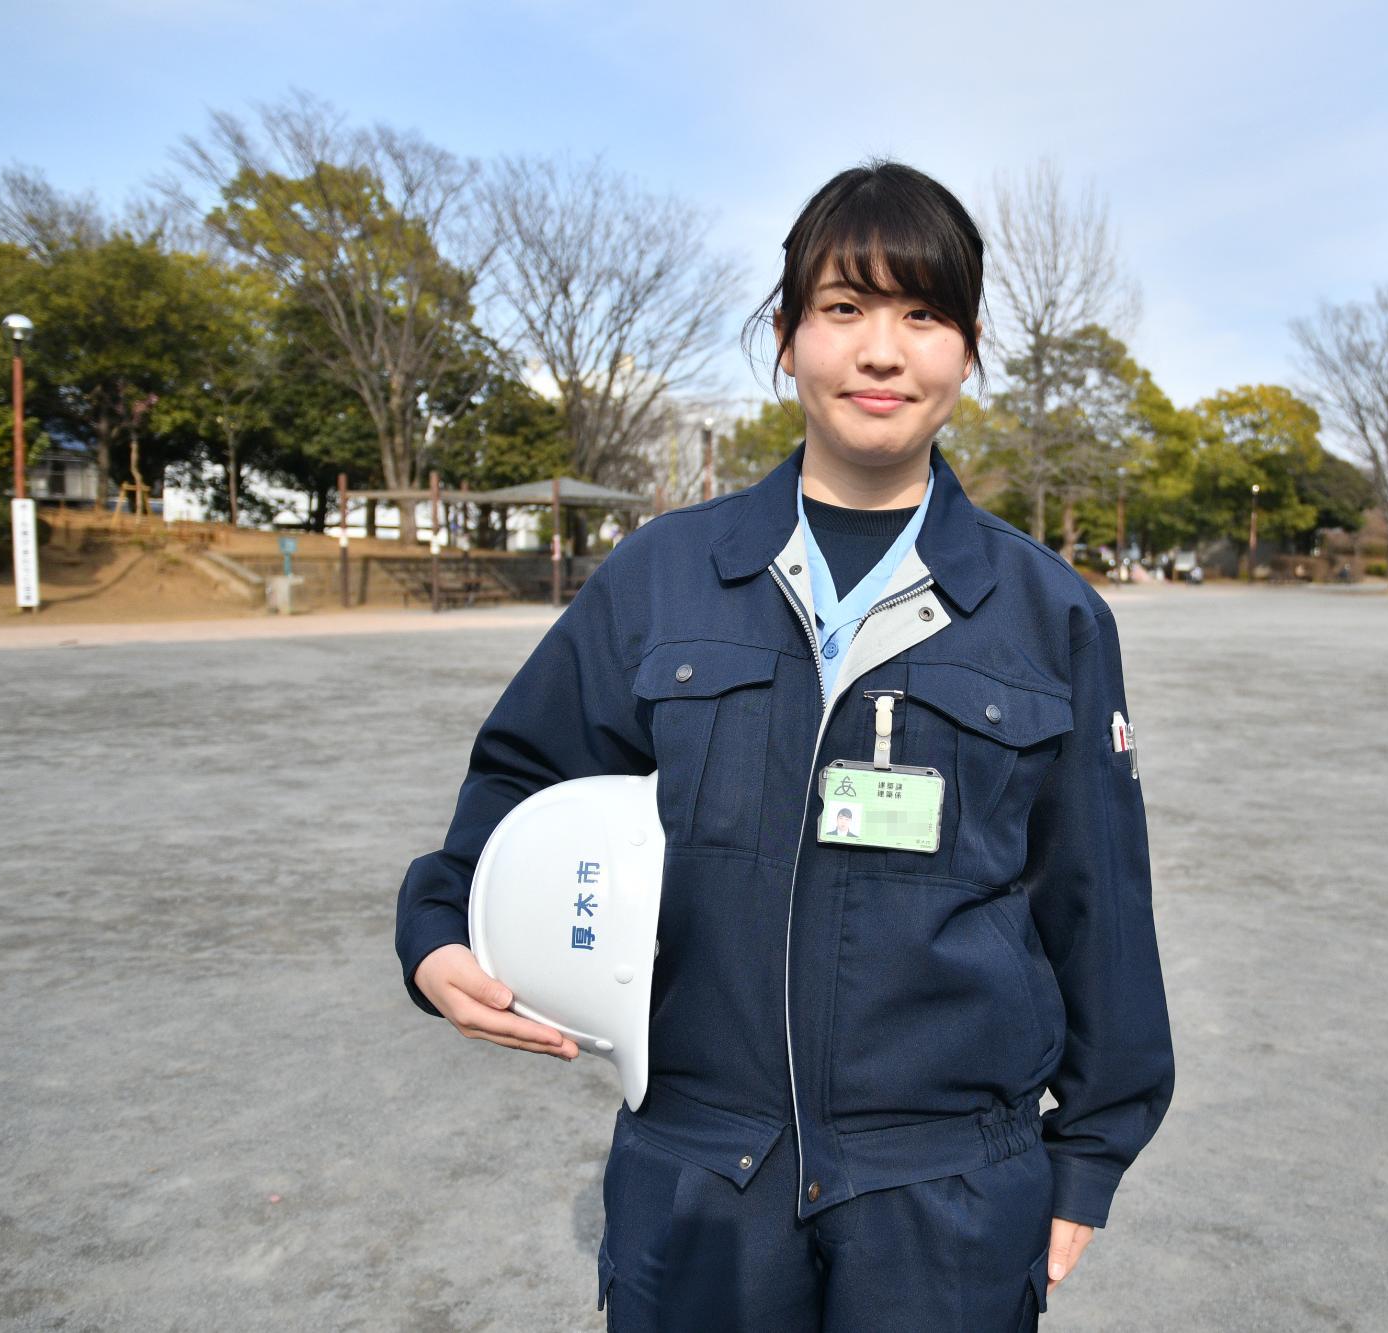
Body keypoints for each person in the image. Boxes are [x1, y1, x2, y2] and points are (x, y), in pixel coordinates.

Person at [395, 160, 1174, 1331]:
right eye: (844, 309)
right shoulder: (664, 573)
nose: (881, 351)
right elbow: (520, 777)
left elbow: (1095, 897)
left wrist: (1089, 1155)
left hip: (947, 1188)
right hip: (700, 1168)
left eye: (922, 314)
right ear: (786, 336)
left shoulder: (1047, 611)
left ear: (965, 347)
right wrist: (437, 929)